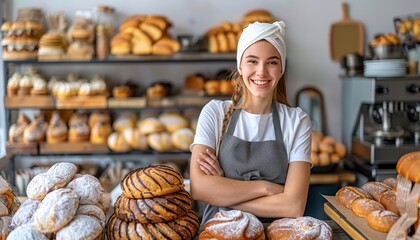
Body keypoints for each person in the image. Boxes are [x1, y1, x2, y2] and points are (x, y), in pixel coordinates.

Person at [189, 20, 312, 224]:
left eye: (272, 62)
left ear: (281, 69)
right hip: (219, 232)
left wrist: (224, 193)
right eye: (252, 61)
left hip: (275, 233)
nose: (261, 71)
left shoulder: (297, 121)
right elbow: (199, 188)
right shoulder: (215, 113)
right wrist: (266, 188)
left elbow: (293, 206)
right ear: (240, 65)